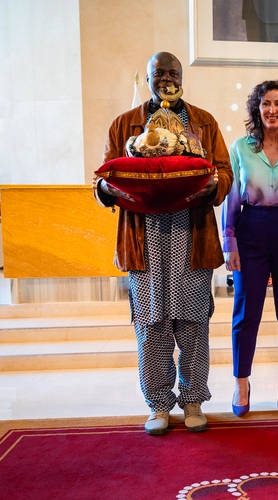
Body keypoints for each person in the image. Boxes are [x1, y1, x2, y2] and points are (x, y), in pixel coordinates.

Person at [94, 52, 231, 435]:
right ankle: (157, 404)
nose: (167, 79)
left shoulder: (204, 122)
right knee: (151, 325)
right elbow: (102, 177)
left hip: (192, 236)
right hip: (145, 239)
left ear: (182, 77)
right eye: (160, 73)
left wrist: (211, 186)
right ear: (149, 78)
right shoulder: (124, 124)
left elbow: (224, 172)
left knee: (193, 323)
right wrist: (109, 189)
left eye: (173, 72)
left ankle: (193, 400)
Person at [222, 80, 278, 417]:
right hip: (251, 229)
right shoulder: (240, 148)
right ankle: (240, 382)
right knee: (246, 313)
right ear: (256, 109)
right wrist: (230, 241)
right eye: (266, 103)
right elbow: (232, 197)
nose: (272, 110)